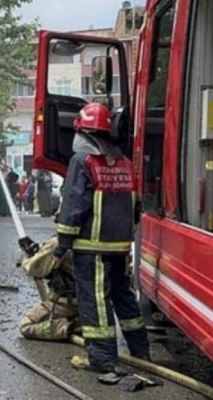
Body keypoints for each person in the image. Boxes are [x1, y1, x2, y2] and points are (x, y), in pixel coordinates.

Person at [53, 102, 149, 374]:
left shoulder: (82, 161)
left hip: (90, 248)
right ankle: (141, 351)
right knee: (124, 298)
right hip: (119, 247)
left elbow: (74, 205)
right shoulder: (125, 163)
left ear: (82, 131)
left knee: (95, 301)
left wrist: (61, 246)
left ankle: (103, 359)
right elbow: (136, 206)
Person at [19, 236, 78, 341]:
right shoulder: (92, 240)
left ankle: (68, 328)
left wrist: (27, 257)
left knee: (25, 326)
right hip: (91, 304)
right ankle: (82, 323)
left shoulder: (57, 243)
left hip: (65, 304)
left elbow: (34, 269)